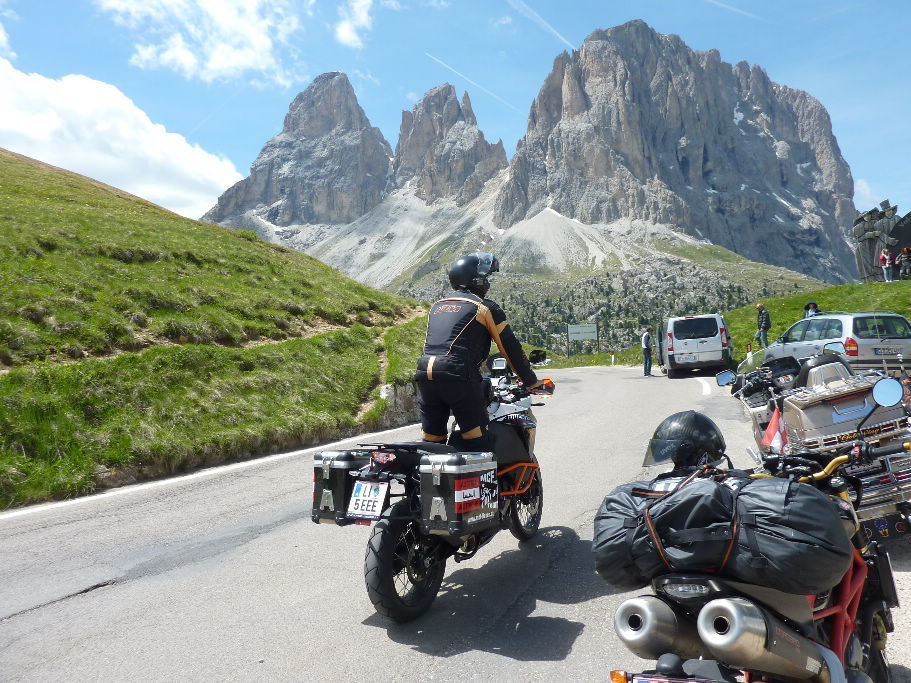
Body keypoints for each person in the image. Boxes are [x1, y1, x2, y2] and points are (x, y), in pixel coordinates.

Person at [414, 252, 545, 452]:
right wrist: (530, 381)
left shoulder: (437, 306)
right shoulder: (483, 307)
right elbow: (509, 346)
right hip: (459, 375)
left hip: (425, 374)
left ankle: (427, 471)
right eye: (486, 277)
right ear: (477, 280)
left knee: (432, 442)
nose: (487, 282)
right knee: (476, 440)